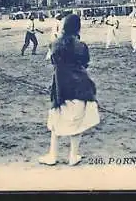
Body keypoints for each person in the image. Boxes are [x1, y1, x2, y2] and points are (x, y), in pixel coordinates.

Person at [39, 14, 100, 166]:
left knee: (55, 121)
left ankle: (53, 155)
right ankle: (73, 156)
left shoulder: (55, 44)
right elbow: (85, 62)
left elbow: (52, 60)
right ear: (77, 28)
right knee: (76, 123)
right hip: (80, 86)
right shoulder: (81, 45)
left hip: (61, 87)